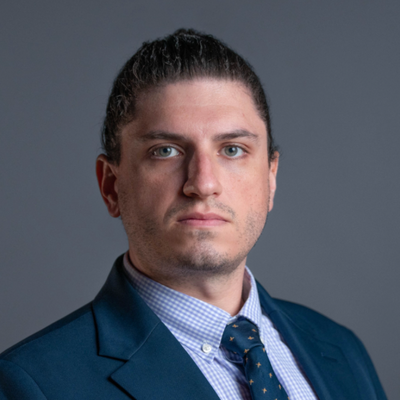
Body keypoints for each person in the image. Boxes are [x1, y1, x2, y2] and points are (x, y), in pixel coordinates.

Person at [0, 29, 387, 400]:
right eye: (165, 151)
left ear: (270, 178)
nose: (203, 184)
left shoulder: (341, 350)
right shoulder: (31, 386)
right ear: (111, 186)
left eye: (232, 149)